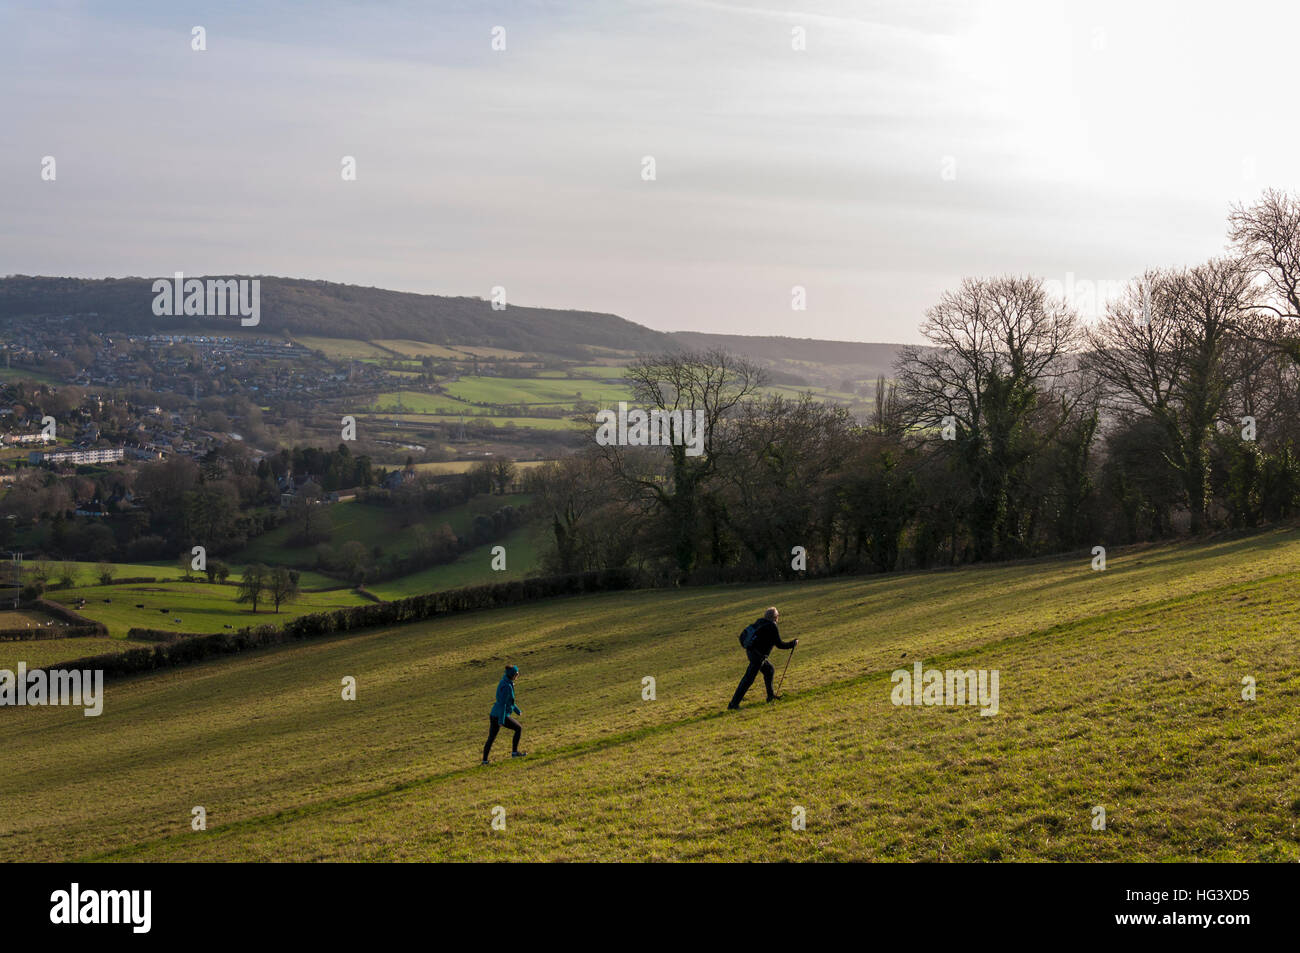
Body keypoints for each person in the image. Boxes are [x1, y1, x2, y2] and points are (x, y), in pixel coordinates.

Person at [727, 606, 797, 709]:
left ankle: (770, 696)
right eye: (777, 615)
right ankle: (733, 704)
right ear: (775, 617)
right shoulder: (772, 627)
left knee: (769, 670)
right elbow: (780, 645)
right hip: (758, 657)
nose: (778, 617)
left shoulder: (760, 622)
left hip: (752, 652)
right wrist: (793, 644)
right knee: (747, 680)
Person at [481, 664, 527, 764]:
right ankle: (514, 753)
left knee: (491, 738)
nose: (518, 675)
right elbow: (503, 704)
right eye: (517, 674)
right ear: (512, 675)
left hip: (495, 714)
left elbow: (509, 701)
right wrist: (501, 721)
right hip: (500, 715)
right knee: (518, 728)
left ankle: (484, 761)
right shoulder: (507, 686)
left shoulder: (506, 681)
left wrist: (517, 710)